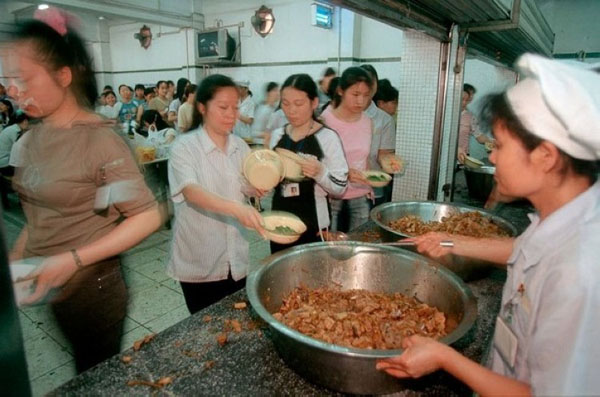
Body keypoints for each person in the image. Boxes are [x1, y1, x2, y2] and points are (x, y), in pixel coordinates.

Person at [376, 54, 600, 396]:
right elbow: (523, 248)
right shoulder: (566, 216)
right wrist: (448, 241)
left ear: (546, 156)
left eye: (499, 145)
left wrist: (445, 358)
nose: (492, 156)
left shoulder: (581, 273)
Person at [8, 10, 161, 373]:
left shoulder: (98, 139)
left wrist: (73, 259)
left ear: (63, 76)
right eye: (11, 79)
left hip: (95, 291)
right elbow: (41, 210)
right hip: (53, 287)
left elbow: (147, 215)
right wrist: (17, 256)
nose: (15, 90)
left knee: (94, 375)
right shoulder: (33, 140)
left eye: (26, 78)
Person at [167, 74, 266, 315]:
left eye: (235, 107)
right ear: (202, 107)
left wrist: (255, 187)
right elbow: (191, 192)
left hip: (235, 257)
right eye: (223, 107)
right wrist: (237, 209)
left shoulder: (240, 146)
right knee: (207, 330)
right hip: (200, 260)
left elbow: (242, 184)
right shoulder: (184, 147)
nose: (231, 114)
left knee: (236, 323)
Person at [268, 74, 348, 252]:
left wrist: (320, 172)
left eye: (298, 104)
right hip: (280, 222)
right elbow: (272, 181)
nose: (291, 111)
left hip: (314, 225)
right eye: (285, 103)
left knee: (311, 278)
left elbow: (341, 187)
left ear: (314, 103)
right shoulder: (277, 135)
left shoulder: (327, 138)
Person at [320, 67, 373, 232]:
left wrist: (370, 183)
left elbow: (365, 159)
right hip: (332, 197)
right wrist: (344, 172)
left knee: (359, 250)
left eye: (365, 95)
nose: (361, 101)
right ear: (341, 91)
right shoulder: (324, 120)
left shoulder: (368, 122)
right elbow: (316, 162)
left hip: (361, 197)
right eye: (356, 94)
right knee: (331, 252)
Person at [360, 64, 398, 205]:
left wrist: (391, 164)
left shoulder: (384, 120)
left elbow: (384, 155)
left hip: (373, 189)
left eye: (371, 82)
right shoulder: (341, 115)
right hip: (343, 189)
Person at [457, 84, 494, 163]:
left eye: (467, 100)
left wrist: (493, 141)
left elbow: (479, 137)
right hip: (445, 154)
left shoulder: (470, 117)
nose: (464, 103)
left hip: (462, 157)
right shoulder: (446, 114)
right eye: (462, 99)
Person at [0, 112, 28, 176]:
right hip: (4, 164)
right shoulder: (15, 131)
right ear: (25, 121)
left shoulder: (12, 128)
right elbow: (21, 149)